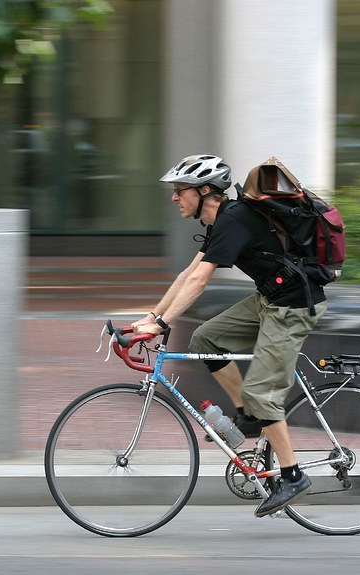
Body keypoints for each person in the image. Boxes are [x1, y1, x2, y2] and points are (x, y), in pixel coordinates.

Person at [132, 154, 328, 517]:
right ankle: (249, 416)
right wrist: (151, 316)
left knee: (262, 391)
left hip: (294, 306)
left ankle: (293, 475)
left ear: (206, 191)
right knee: (206, 339)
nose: (174, 198)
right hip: (270, 298)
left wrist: (159, 325)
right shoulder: (221, 222)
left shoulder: (235, 220)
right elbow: (187, 274)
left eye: (180, 191)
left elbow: (200, 281)